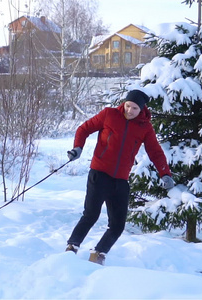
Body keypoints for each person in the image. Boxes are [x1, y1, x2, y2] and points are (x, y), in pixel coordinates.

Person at [65, 89, 175, 265]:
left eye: (134, 108)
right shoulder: (109, 115)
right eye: (128, 106)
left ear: (142, 110)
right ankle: (72, 246)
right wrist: (78, 147)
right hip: (99, 174)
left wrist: (165, 173)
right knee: (90, 215)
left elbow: (155, 151)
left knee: (117, 225)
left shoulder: (145, 127)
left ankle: (98, 253)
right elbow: (84, 129)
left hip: (120, 180)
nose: (129, 111)